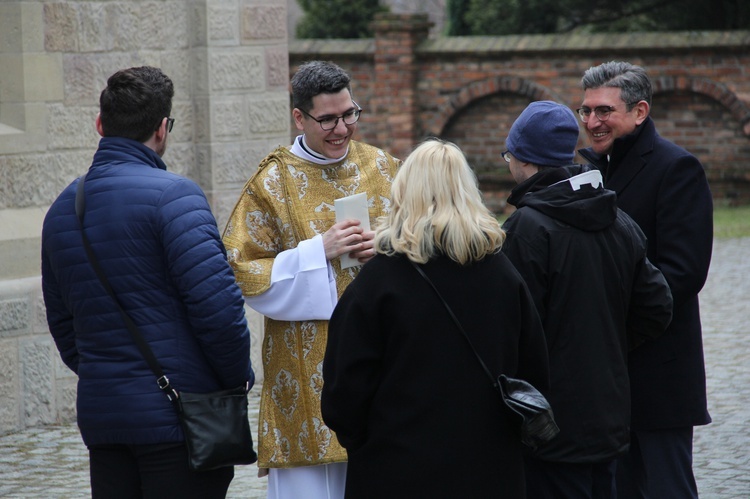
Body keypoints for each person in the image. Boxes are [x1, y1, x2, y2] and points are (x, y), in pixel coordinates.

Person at [41, 66, 254, 498]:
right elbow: (219, 312)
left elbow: (64, 326)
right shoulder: (176, 197)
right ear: (162, 128)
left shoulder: (63, 208)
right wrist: (235, 382)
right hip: (179, 424)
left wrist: (108, 376)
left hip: (105, 421)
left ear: (101, 125)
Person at [320, 138, 551, 498]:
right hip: (490, 470)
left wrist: (366, 441)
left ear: (404, 194)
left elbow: (342, 393)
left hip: (396, 470)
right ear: (466, 193)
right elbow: (534, 371)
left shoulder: (379, 282)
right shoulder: (503, 274)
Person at [221, 60, 400, 499]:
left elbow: (428, 239)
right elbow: (241, 267)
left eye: (350, 114)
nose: (342, 129)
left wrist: (391, 245)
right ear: (299, 117)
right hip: (306, 373)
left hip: (386, 362)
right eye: (328, 119)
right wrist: (317, 252)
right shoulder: (272, 182)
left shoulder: (383, 167)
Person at [499, 101, 674, 498]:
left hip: (549, 422)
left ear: (523, 159)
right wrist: (606, 344)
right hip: (607, 413)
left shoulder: (527, 228)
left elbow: (511, 328)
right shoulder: (616, 215)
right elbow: (657, 306)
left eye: (508, 154)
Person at [578, 62, 714, 499]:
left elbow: (683, 272)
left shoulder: (677, 168)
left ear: (639, 112)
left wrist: (611, 320)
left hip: (658, 372)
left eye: (604, 111)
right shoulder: (590, 172)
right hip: (606, 379)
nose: (592, 122)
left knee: (663, 488)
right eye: (585, 111)